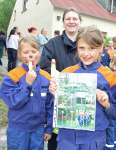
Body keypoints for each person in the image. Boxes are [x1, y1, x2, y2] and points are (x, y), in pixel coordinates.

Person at [49, 26, 116, 150]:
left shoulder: (111, 76)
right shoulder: (67, 73)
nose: (86, 53)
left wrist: (107, 104)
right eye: (81, 48)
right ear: (76, 47)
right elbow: (53, 109)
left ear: (101, 47)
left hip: (94, 141)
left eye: (92, 48)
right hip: (67, 139)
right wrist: (56, 96)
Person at [0, 36, 53, 150]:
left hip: (38, 130)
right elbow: (14, 102)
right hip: (18, 130)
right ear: (19, 54)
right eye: (26, 52)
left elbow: (50, 105)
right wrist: (27, 83)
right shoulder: (12, 76)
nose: (30, 56)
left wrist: (48, 128)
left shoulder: (47, 77)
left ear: (39, 52)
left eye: (33, 52)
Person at [39, 7, 82, 150]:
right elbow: (44, 68)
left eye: (75, 18)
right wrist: (57, 82)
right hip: (58, 101)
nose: (71, 21)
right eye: (68, 19)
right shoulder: (53, 43)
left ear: (80, 22)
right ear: (63, 22)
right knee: (57, 143)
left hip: (81, 100)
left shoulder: (86, 44)